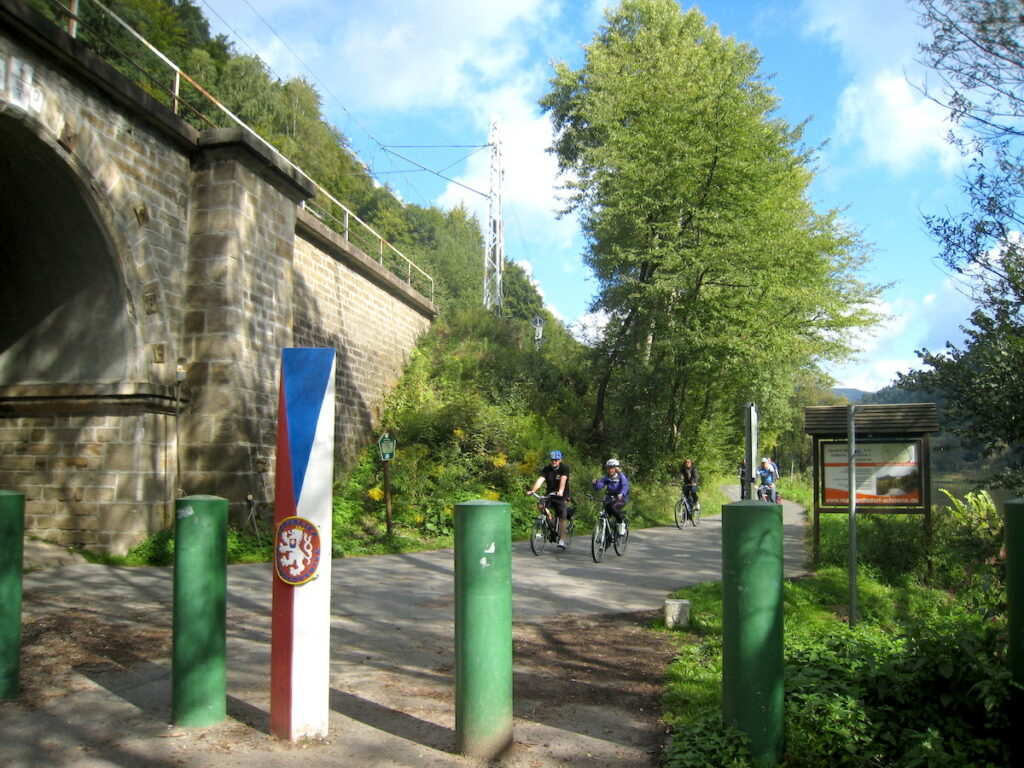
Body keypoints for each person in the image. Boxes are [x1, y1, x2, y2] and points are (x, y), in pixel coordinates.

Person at [527, 450, 571, 548]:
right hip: (550, 495)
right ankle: (550, 518)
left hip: (561, 495)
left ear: (560, 460)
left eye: (556, 460)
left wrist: (560, 491)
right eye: (552, 460)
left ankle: (562, 540)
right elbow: (540, 480)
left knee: (561, 518)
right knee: (540, 505)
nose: (554, 462)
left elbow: (563, 480)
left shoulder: (564, 468)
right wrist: (532, 490)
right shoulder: (547, 469)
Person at [593, 458, 630, 535]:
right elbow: (599, 486)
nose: (610, 470)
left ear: (616, 469)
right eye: (608, 468)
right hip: (609, 499)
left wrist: (622, 494)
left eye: (612, 468)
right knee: (605, 516)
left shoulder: (621, 476)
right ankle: (606, 540)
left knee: (613, 507)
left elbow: (625, 486)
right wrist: (596, 483)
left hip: (621, 498)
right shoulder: (606, 477)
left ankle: (621, 524)